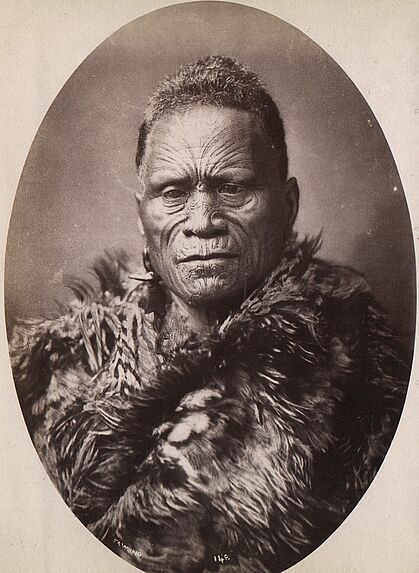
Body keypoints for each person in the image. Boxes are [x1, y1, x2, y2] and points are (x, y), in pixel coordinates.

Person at [10, 56, 408, 573]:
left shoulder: (358, 371)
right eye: (173, 193)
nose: (201, 223)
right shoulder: (53, 373)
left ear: (287, 206)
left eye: (232, 189)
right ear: (141, 215)